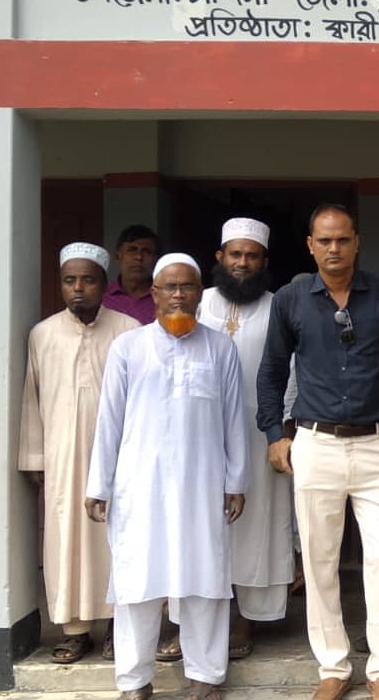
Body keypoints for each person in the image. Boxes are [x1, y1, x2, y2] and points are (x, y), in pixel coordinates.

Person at [256, 203, 379, 700]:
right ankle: (333, 666)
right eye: (324, 240)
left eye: (343, 239)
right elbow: (272, 370)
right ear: (310, 245)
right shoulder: (291, 299)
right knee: (319, 559)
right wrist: (275, 434)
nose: (334, 249)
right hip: (317, 442)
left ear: (357, 242)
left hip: (378, 443)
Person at [86, 253, 248, 700]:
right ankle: (134, 681)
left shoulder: (220, 348)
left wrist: (236, 481)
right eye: (170, 287)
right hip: (140, 486)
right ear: (155, 294)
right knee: (137, 582)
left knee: (205, 580)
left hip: (203, 486)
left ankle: (206, 677)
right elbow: (109, 420)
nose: (178, 295)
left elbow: (235, 420)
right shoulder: (128, 348)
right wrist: (99, 484)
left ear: (200, 294)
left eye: (187, 286)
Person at [19, 243, 139, 663]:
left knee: (117, 540)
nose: (78, 288)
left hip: (119, 458)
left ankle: (118, 628)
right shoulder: (43, 334)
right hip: (62, 458)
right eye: (70, 280)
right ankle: (74, 630)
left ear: (104, 284)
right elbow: (31, 398)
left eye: (87, 280)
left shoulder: (127, 331)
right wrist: (34, 456)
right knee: (65, 541)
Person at [197, 218, 296, 660]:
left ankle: (246, 615)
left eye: (251, 256)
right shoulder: (197, 302)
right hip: (202, 434)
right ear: (220, 257)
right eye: (235, 254)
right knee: (203, 522)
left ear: (264, 261)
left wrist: (284, 429)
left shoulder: (280, 306)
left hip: (261, 432)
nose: (242, 263)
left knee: (258, 522)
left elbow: (293, 368)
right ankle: (199, 613)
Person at [102, 224, 159, 324]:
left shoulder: (164, 297)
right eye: (132, 250)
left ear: (155, 259)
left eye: (146, 252)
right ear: (118, 256)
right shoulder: (102, 296)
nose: (139, 257)